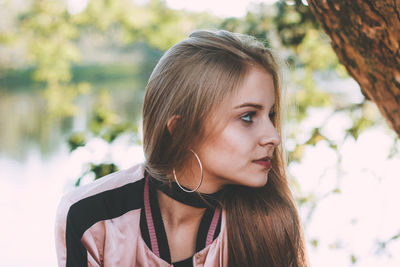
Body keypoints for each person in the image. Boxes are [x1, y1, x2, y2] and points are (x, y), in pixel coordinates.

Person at [55, 29, 308, 267]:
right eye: (248, 116)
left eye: (271, 115)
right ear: (181, 129)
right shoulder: (91, 217)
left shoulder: (268, 223)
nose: (274, 136)